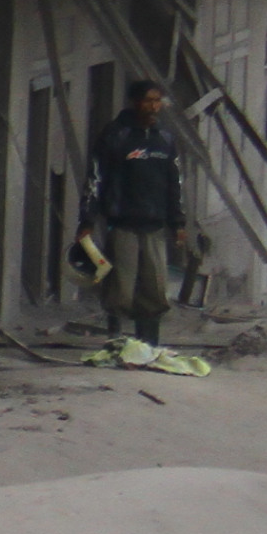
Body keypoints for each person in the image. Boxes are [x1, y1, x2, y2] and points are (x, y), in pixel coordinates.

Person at [79, 80, 187, 345]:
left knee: (155, 289)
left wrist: (178, 223)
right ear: (134, 102)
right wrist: (88, 219)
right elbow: (95, 178)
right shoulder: (116, 135)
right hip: (122, 223)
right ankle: (115, 338)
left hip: (155, 225)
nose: (153, 107)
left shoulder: (165, 139)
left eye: (157, 101)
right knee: (121, 289)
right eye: (148, 101)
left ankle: (148, 343)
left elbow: (176, 184)